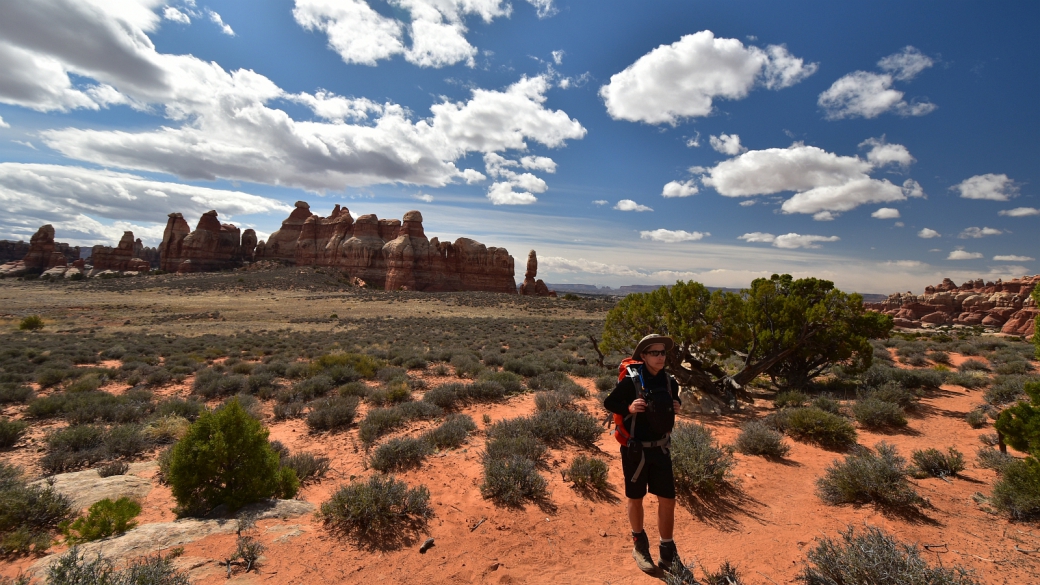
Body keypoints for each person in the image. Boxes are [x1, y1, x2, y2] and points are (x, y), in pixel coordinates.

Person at [603, 333, 682, 574]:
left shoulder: (670, 382)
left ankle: (667, 550)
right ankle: (639, 544)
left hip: (661, 448)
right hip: (635, 450)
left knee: (668, 499)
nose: (660, 357)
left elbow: (669, 406)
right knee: (635, 498)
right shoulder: (631, 381)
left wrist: (677, 404)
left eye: (663, 353)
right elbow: (609, 403)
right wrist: (628, 407)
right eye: (654, 353)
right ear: (644, 356)